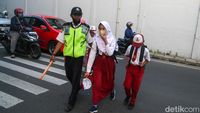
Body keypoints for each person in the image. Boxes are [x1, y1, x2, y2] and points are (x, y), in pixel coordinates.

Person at [50, 7, 89, 112]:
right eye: (75, 14)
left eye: (79, 15)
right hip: (68, 57)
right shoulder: (66, 27)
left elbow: (90, 42)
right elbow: (60, 41)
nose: (77, 16)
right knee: (68, 75)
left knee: (76, 77)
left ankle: (71, 102)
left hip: (79, 58)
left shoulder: (85, 28)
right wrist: (54, 53)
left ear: (81, 15)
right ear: (71, 15)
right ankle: (77, 87)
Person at [85, 21, 118, 113]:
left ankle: (111, 90)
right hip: (99, 62)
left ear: (107, 29)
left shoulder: (112, 39)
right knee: (97, 83)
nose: (101, 31)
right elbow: (92, 54)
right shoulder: (96, 40)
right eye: (100, 29)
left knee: (109, 81)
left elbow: (110, 53)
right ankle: (95, 104)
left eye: (103, 28)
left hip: (109, 62)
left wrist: (105, 41)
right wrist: (88, 70)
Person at [123, 34, 150, 110]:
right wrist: (128, 58)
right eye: (135, 44)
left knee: (135, 87)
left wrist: (143, 63)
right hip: (130, 67)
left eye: (138, 44)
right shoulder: (130, 47)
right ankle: (128, 96)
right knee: (126, 85)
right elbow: (126, 55)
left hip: (139, 70)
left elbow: (148, 59)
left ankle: (133, 101)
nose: (136, 46)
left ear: (142, 42)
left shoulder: (145, 50)